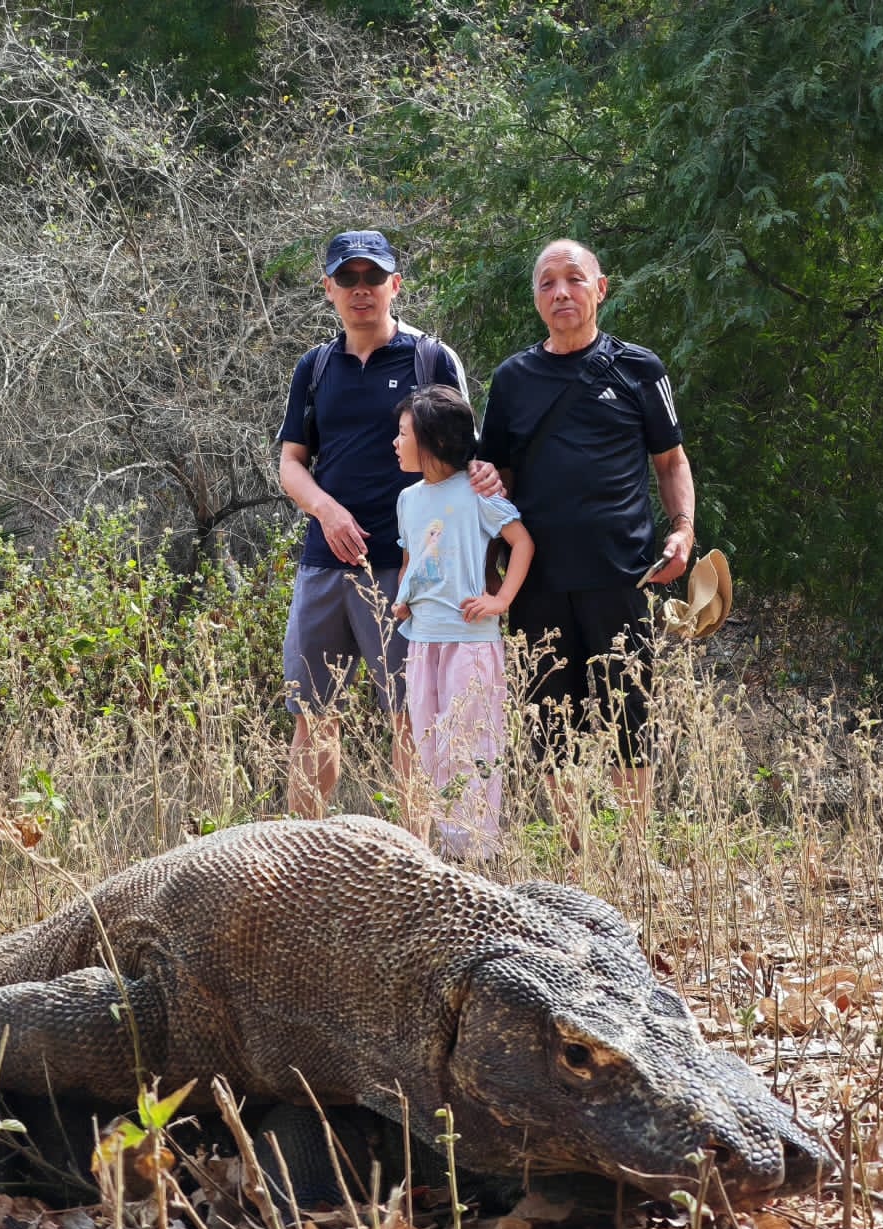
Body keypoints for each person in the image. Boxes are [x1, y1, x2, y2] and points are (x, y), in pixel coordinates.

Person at [476, 239, 696, 812]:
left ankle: (634, 854)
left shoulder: (639, 368)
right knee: (551, 725)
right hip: (537, 580)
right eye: (547, 284)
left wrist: (683, 528)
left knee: (631, 715)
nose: (561, 293)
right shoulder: (512, 379)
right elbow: (494, 476)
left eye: (574, 280)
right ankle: (575, 855)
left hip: (620, 573)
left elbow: (671, 461)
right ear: (535, 300)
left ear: (600, 289)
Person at [276, 229, 468, 818]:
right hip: (324, 563)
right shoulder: (315, 368)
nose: (362, 290)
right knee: (314, 715)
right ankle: (299, 863)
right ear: (329, 288)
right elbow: (290, 465)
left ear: (395, 285)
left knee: (410, 717)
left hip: (406, 570)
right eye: (349, 278)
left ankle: (413, 861)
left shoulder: (429, 359)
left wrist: (433, 556)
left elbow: (464, 467)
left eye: (373, 277)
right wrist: (327, 510)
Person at [391, 385, 534, 859]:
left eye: (403, 433)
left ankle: (475, 854)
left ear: (432, 441)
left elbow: (522, 543)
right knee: (429, 747)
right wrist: (404, 599)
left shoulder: (476, 493)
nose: (395, 441)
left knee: (471, 746)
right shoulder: (408, 499)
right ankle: (442, 852)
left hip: (470, 642)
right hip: (422, 641)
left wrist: (502, 600)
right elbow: (414, 556)